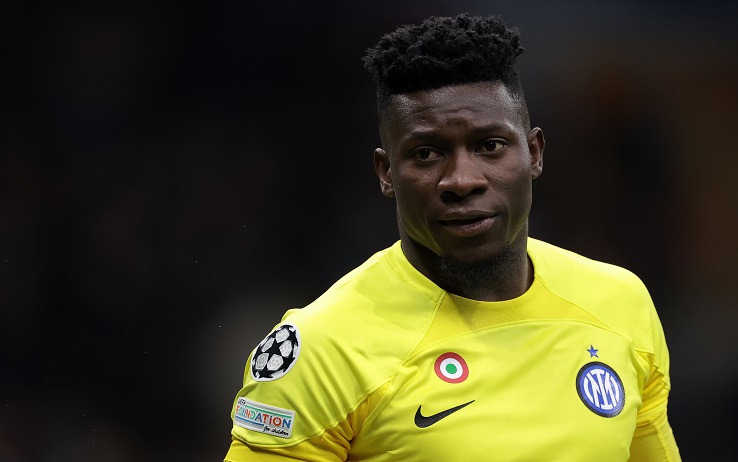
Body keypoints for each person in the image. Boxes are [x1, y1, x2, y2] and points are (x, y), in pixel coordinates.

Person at [223, 13, 680, 461]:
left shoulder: (620, 304)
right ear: (386, 173)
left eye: (490, 146)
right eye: (427, 153)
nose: (462, 179)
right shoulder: (324, 348)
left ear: (535, 152)